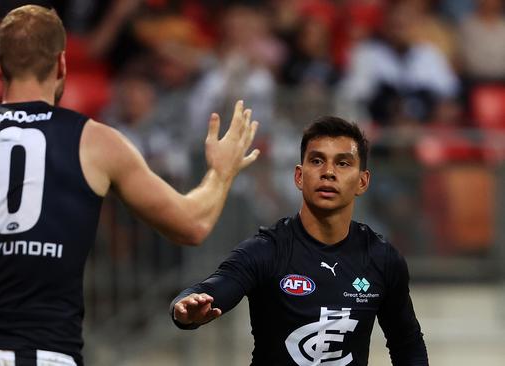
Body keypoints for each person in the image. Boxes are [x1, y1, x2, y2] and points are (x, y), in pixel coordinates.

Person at [0, 5, 260, 366]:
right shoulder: (94, 142)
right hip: (44, 353)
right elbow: (192, 224)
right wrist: (221, 172)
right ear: (61, 64)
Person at [171, 117, 428, 366]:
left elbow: (407, 345)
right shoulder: (267, 250)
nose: (328, 172)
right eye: (317, 161)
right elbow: (212, 290)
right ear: (299, 176)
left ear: (362, 181)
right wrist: (185, 309)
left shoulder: (382, 258)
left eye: (343, 163)